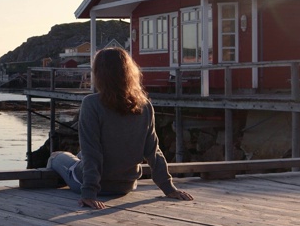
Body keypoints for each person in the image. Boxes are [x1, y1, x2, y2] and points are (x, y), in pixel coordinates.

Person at [48, 47, 194, 209]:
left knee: (56, 156)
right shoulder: (144, 105)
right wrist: (168, 188)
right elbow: (153, 152)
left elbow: (92, 152)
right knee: (82, 155)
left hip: (92, 185)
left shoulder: (92, 104)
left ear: (99, 74)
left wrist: (88, 194)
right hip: (126, 185)